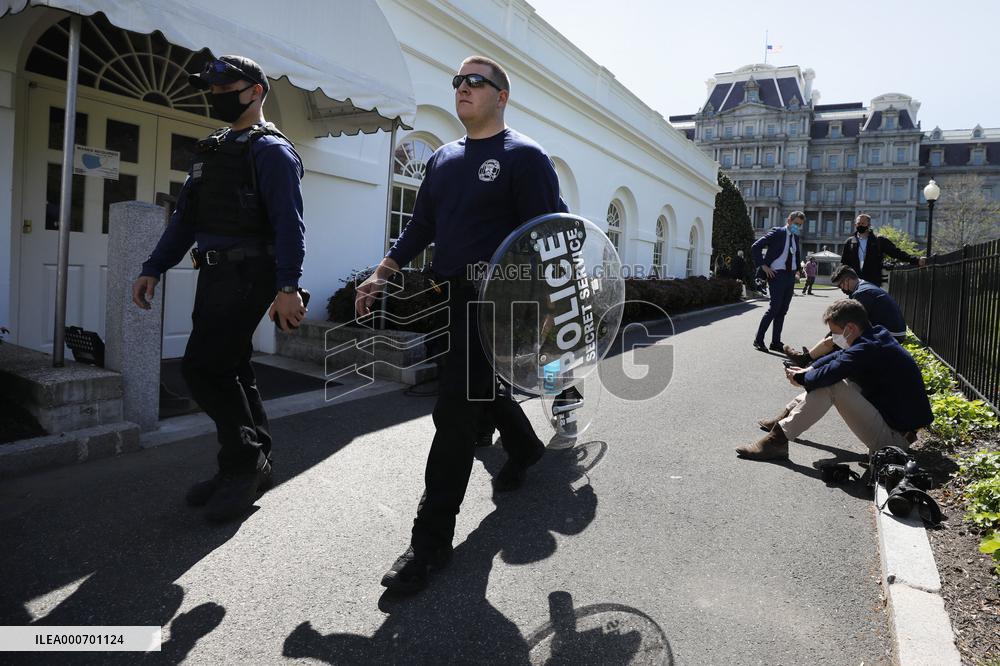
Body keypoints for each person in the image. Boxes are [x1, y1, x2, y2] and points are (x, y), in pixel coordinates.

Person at [355, 55, 567, 594]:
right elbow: (421, 224)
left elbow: (548, 236)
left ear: (501, 95)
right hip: (453, 296)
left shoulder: (526, 158)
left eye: (476, 81)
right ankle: (524, 448)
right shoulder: (444, 159)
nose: (463, 87)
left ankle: (427, 546)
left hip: (502, 301)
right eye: (458, 80)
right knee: (474, 390)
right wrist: (383, 271)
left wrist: (547, 309)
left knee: (452, 415)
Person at [131, 56, 306, 522]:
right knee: (230, 366)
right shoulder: (212, 150)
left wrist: (289, 286)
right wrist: (154, 266)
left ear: (255, 92)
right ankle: (254, 462)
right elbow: (186, 218)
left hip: (251, 273)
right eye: (212, 86)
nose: (217, 93)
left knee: (202, 370)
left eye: (227, 85)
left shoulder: (272, 152)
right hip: (215, 273)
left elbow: (290, 225)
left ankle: (242, 464)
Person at [737, 299, 932, 461]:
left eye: (834, 332)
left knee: (833, 386)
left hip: (893, 442)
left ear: (850, 328)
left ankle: (777, 441)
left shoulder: (866, 348)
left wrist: (802, 378)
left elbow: (832, 372)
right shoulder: (875, 335)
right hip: (894, 427)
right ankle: (784, 420)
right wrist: (809, 369)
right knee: (834, 381)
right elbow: (838, 358)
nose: (832, 337)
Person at [785, 264, 909, 365]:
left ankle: (811, 360)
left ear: (848, 280)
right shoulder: (864, 286)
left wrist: (832, 337)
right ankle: (811, 358)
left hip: (891, 335)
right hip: (892, 332)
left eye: (840, 285)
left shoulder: (862, 293)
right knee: (839, 336)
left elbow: (844, 323)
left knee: (840, 337)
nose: (841, 289)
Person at [751, 211, 805, 352]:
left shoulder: (795, 237)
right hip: (777, 275)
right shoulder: (777, 232)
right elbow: (756, 246)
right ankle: (759, 339)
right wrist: (763, 266)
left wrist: (798, 270)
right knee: (774, 308)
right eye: (796, 224)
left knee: (782, 310)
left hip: (790, 276)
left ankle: (775, 342)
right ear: (789, 220)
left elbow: (796, 255)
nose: (797, 227)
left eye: (799, 225)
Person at [840, 213, 925, 286]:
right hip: (855, 283)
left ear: (869, 225)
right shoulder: (849, 242)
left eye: (863, 223)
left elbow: (897, 253)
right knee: (854, 305)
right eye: (858, 224)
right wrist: (843, 279)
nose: (860, 225)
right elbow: (844, 263)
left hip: (872, 282)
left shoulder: (879, 241)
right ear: (855, 225)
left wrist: (916, 260)